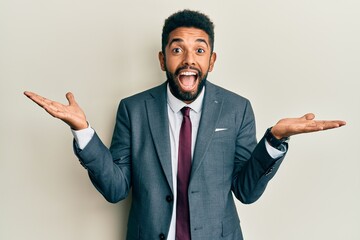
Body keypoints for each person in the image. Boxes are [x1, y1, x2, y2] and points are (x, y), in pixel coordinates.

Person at [24, 9, 345, 240]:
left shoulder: (237, 108)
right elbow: (115, 189)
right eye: (177, 49)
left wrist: (274, 140)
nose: (189, 59)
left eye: (199, 50)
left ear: (211, 61)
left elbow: (245, 192)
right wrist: (82, 131)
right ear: (163, 59)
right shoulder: (133, 109)